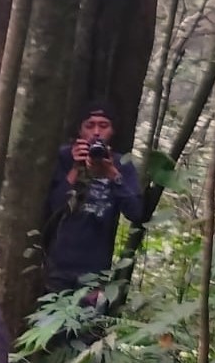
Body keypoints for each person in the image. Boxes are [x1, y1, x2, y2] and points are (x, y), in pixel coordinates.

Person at [41, 104, 143, 307]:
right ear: (80, 130)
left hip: (95, 271)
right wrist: (75, 168)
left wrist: (113, 175)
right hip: (57, 267)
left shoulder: (121, 164)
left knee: (87, 333)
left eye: (103, 125)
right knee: (50, 330)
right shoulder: (63, 157)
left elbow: (136, 213)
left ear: (112, 130)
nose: (96, 132)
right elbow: (53, 208)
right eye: (90, 125)